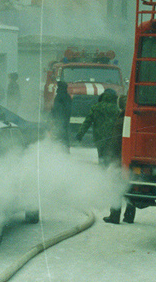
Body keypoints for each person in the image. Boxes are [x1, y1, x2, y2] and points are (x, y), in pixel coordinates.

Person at [75, 88, 134, 224]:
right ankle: (129, 214)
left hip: (104, 144)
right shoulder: (117, 111)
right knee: (126, 181)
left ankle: (104, 194)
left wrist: (80, 134)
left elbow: (87, 122)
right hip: (118, 148)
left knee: (111, 175)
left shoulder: (96, 107)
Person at [50, 80, 72, 152]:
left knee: (61, 134)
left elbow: (57, 108)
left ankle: (62, 150)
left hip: (60, 119)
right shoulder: (66, 96)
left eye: (58, 86)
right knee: (63, 134)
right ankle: (63, 149)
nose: (57, 88)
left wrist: (52, 116)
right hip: (62, 119)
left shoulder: (60, 96)